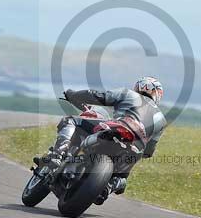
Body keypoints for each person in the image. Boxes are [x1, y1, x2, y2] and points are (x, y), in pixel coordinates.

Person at [34, 77, 167, 204]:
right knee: (122, 177)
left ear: (139, 86)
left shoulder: (129, 94)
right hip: (135, 148)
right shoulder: (161, 119)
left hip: (117, 128)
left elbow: (98, 96)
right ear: (158, 94)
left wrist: (73, 95)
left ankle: (58, 154)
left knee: (70, 120)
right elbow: (149, 150)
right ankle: (110, 186)